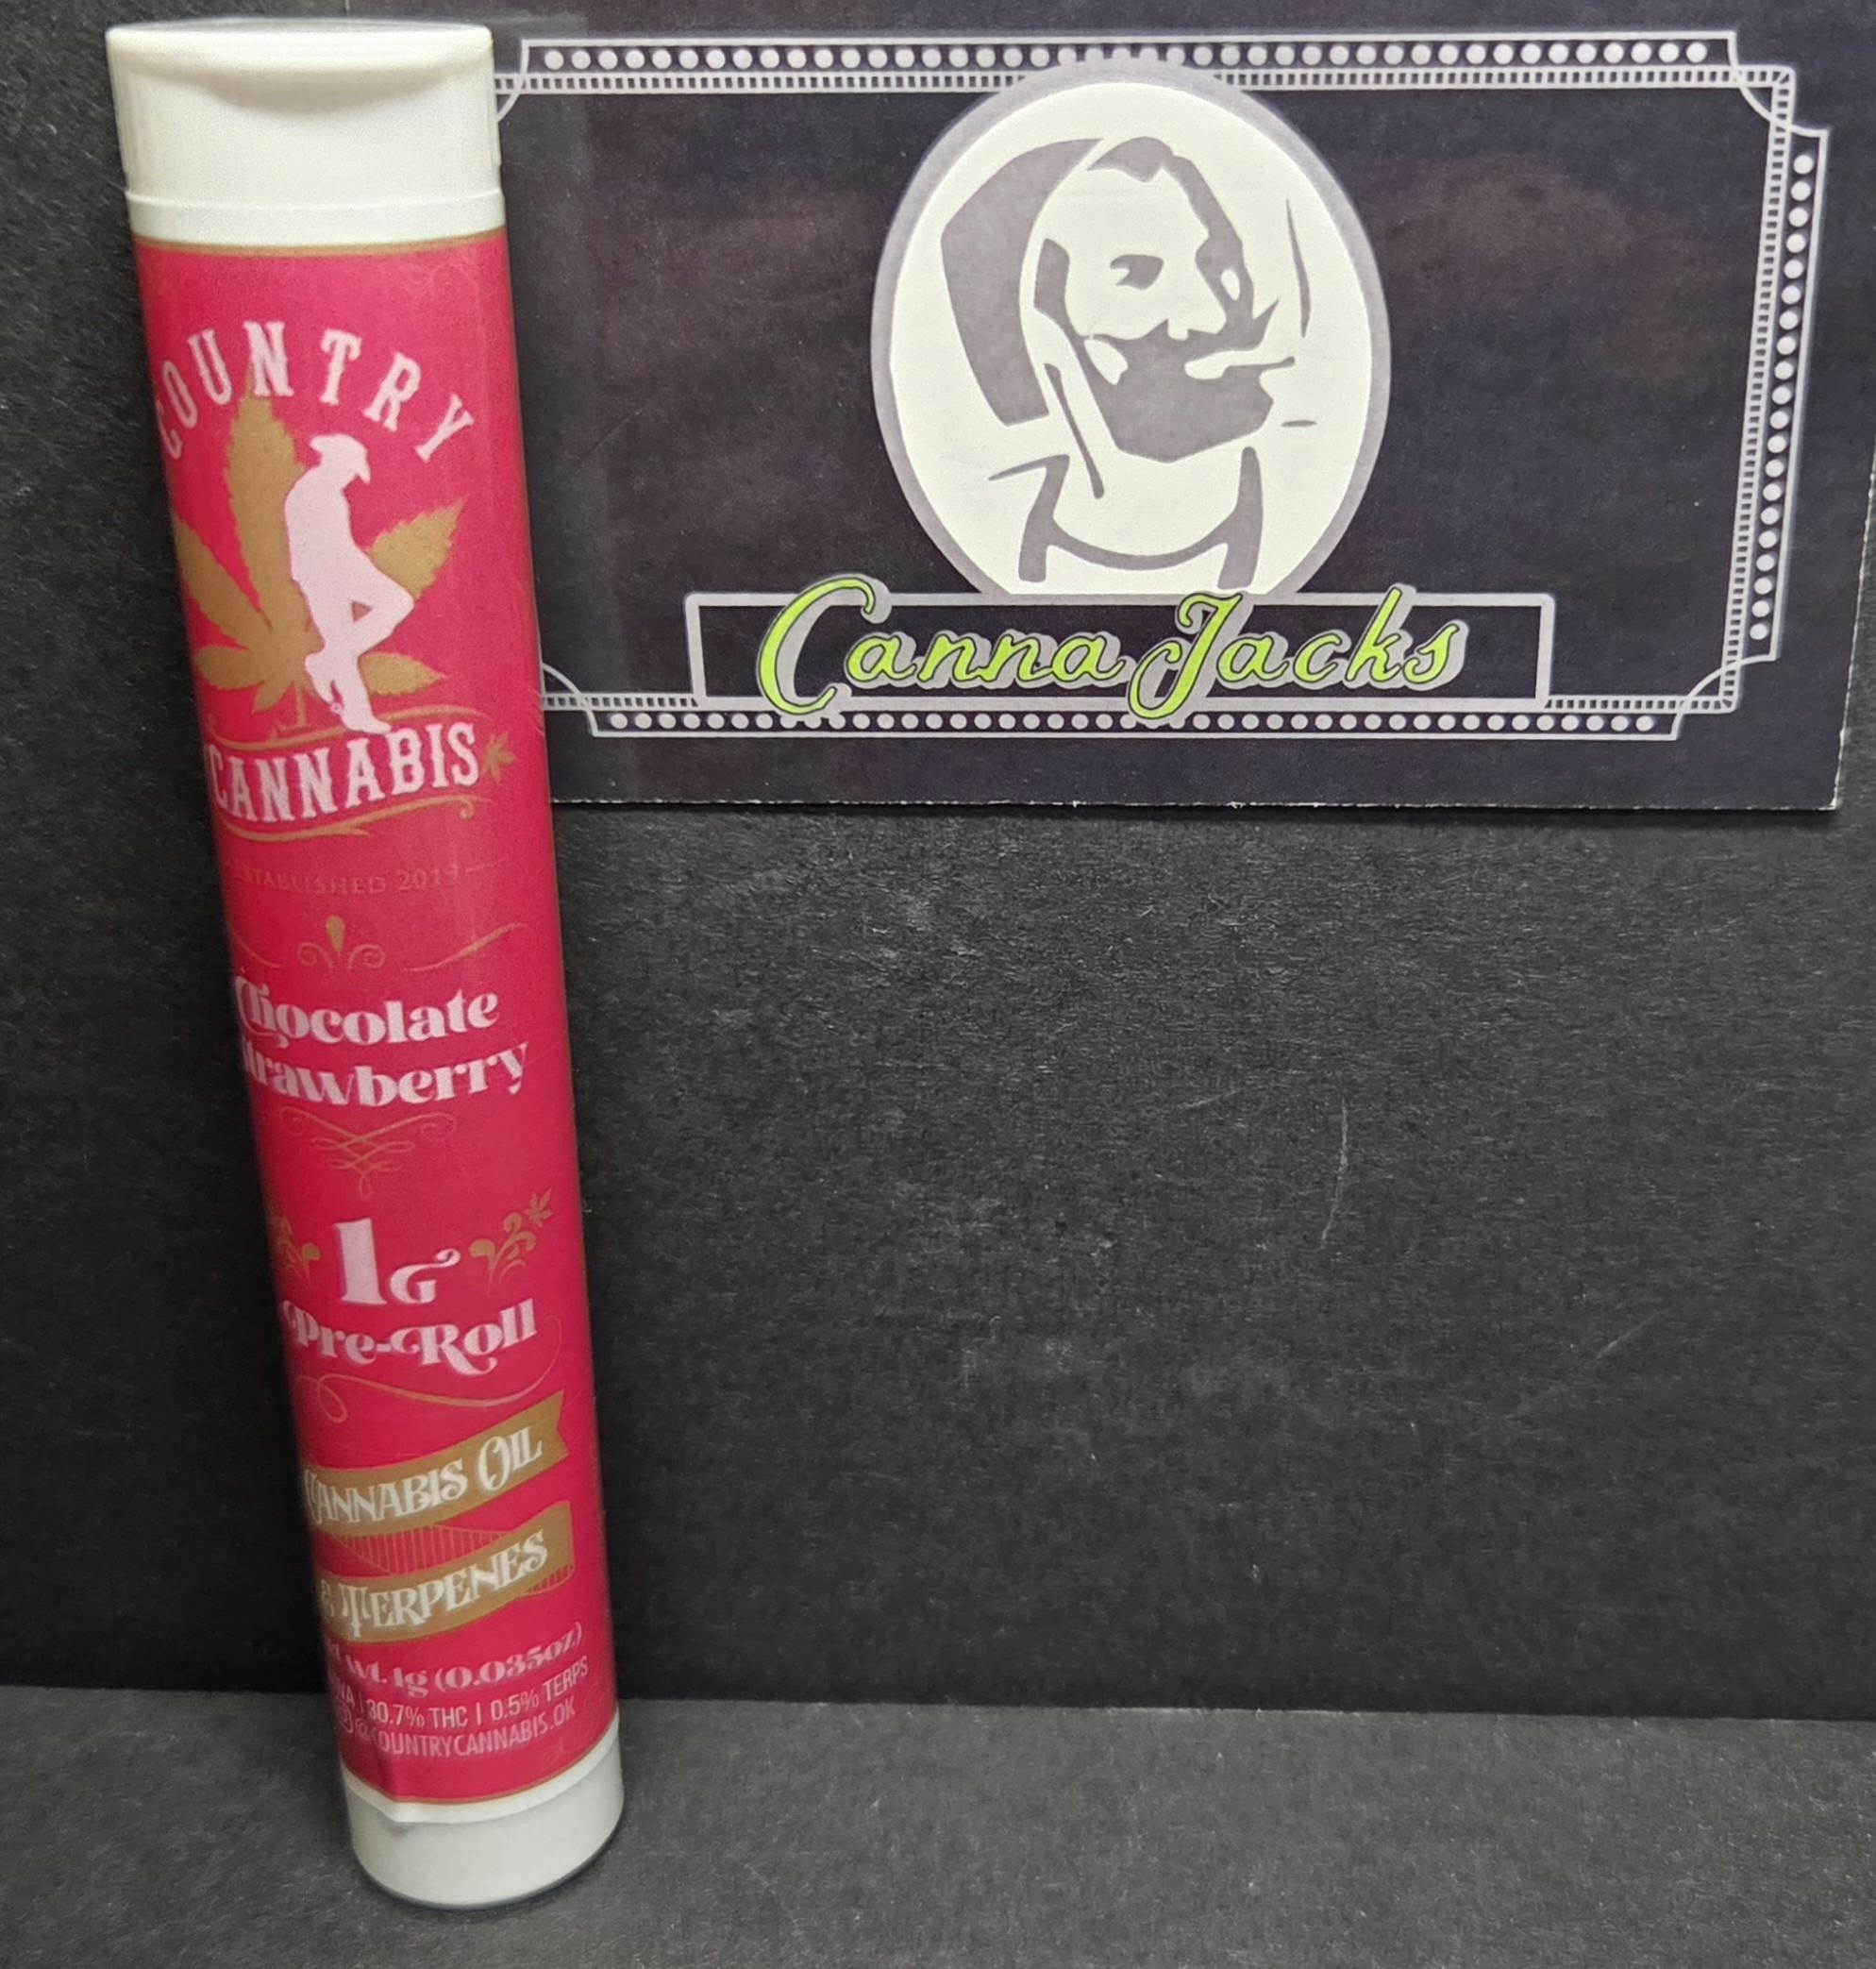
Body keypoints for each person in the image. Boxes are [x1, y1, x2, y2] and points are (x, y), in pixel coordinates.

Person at [942, 134, 1312, 588]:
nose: (1210, 313)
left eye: (1214, 264)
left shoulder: (1299, 495)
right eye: (1137, 276)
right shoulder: (992, 516)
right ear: (1042, 332)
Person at [283, 433, 414, 734]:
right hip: (326, 575)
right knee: (394, 604)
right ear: (334, 463)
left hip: (336, 571)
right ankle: (354, 709)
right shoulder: (313, 493)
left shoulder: (326, 491)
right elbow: (330, 548)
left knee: (356, 631)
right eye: (348, 470)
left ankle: (326, 663)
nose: (350, 477)